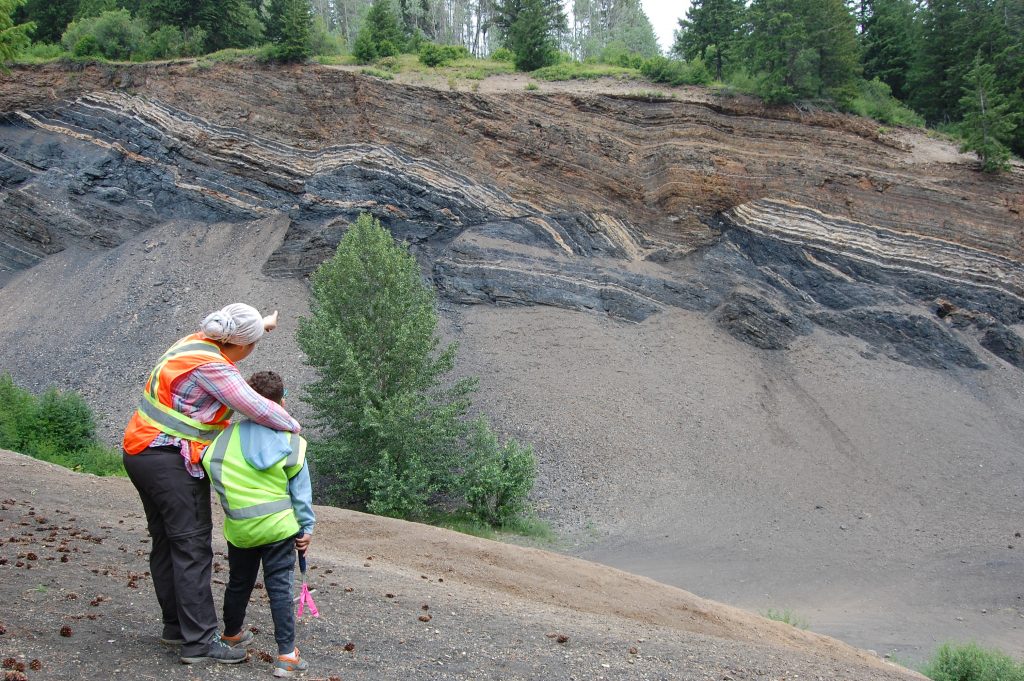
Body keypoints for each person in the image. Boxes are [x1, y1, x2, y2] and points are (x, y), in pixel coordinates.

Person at [122, 303, 301, 665]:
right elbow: (259, 408)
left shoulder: (198, 341)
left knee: (167, 542)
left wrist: (262, 325)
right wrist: (295, 429)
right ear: (241, 345)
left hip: (140, 450)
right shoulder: (215, 368)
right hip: (169, 460)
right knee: (191, 547)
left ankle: (176, 628)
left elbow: (238, 331)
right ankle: (200, 643)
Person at [202, 371, 314, 678]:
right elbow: (301, 495)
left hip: (240, 528)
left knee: (239, 581)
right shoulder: (292, 442)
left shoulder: (225, 438)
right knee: (279, 588)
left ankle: (232, 634)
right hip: (279, 529)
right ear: (282, 401)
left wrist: (232, 501)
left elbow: (210, 465)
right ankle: (287, 656)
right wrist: (306, 530)